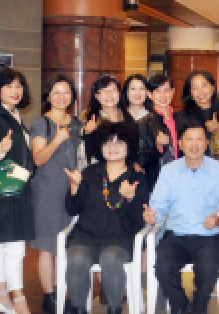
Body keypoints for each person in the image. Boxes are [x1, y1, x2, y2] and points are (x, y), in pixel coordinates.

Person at [143, 122, 219, 314]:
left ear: (206, 143)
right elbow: (159, 203)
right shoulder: (169, 171)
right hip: (176, 235)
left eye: (199, 139)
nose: (194, 144)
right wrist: (153, 214)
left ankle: (199, 308)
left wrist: (217, 219)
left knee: (208, 270)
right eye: (189, 139)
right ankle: (181, 307)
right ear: (180, 144)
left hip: (209, 236)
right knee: (163, 267)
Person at [62, 121, 148, 314]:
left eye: (119, 143)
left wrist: (131, 198)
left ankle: (114, 309)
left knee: (110, 259)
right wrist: (74, 187)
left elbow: (138, 221)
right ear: (100, 147)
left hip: (120, 238)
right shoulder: (90, 173)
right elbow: (72, 209)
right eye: (108, 143)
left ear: (129, 146)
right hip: (86, 235)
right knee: (76, 258)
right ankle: (79, 309)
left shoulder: (137, 177)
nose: (113, 148)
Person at [0, 67, 35, 314]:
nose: (15, 91)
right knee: (14, 248)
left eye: (18, 86)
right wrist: (0, 149)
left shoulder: (14, 117)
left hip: (13, 190)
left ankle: (1, 297)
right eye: (9, 86)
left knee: (2, 247)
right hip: (4, 192)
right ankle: (19, 300)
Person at [29, 74, 82, 314]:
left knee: (66, 244)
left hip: (72, 190)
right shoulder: (41, 123)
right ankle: (49, 298)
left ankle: (62, 295)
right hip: (48, 191)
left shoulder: (77, 123)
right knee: (47, 245)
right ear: (48, 96)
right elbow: (38, 159)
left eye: (66, 92)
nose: (62, 97)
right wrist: (57, 140)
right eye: (56, 92)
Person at [137, 74, 179, 190]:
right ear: (150, 94)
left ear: (173, 92)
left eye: (166, 90)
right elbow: (140, 160)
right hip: (157, 184)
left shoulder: (182, 119)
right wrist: (158, 147)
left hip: (183, 182)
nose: (163, 95)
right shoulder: (143, 123)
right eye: (157, 91)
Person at [81, 75, 133, 163]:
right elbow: (85, 155)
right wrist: (87, 133)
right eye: (104, 91)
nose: (109, 95)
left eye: (113, 90)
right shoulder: (86, 119)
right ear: (97, 96)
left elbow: (133, 149)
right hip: (97, 168)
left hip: (124, 168)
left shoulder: (128, 117)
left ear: (119, 94)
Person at [176, 70, 219, 141]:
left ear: (213, 88)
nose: (200, 91)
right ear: (190, 93)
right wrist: (205, 128)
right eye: (195, 88)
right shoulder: (183, 116)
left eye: (204, 86)